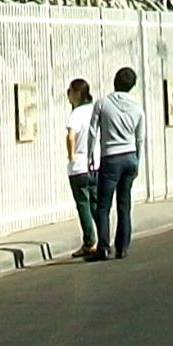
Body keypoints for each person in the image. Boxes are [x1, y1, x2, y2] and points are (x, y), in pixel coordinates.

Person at [88, 67, 143, 262]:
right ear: (132, 85)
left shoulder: (102, 103)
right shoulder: (137, 108)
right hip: (130, 157)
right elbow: (139, 138)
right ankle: (123, 247)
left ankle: (103, 247)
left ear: (115, 81)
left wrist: (90, 155)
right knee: (124, 204)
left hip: (110, 158)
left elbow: (93, 131)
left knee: (103, 205)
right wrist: (138, 161)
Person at [64, 78, 99, 258]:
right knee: (96, 203)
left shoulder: (76, 113)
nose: (68, 95)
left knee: (83, 204)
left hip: (79, 166)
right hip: (96, 164)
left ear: (78, 93)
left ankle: (89, 242)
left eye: (69, 91)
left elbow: (71, 136)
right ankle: (103, 237)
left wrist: (71, 156)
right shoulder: (95, 109)